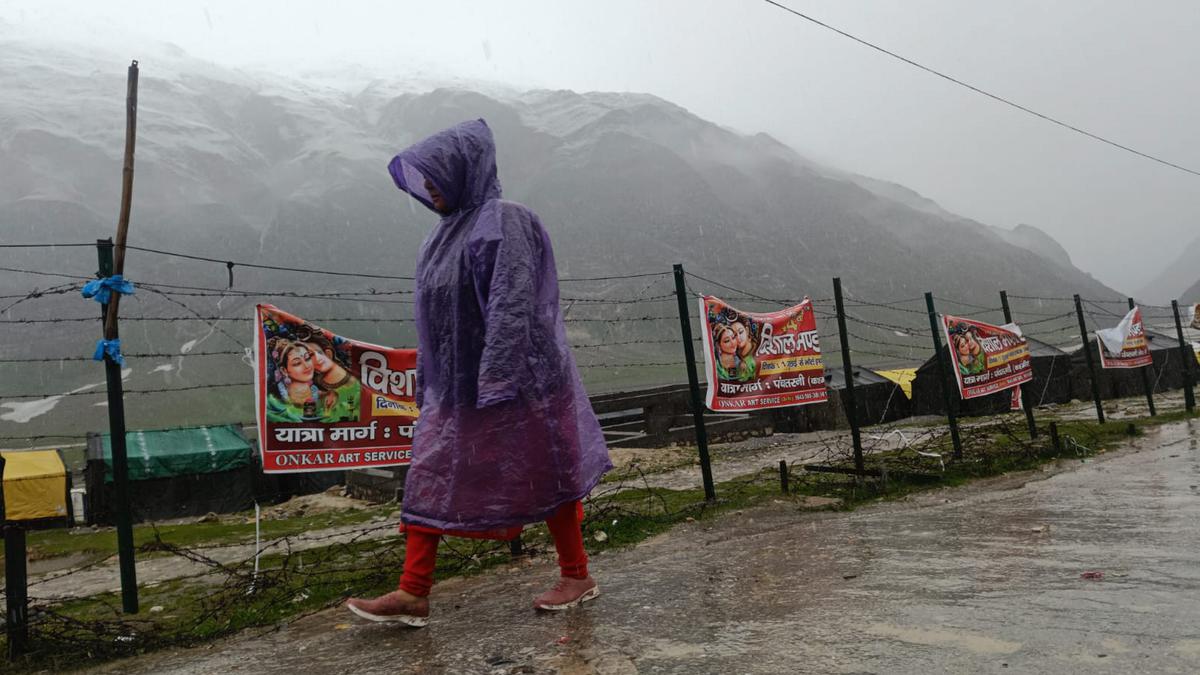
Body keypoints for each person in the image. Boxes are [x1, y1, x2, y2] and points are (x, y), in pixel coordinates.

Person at [346, 119, 612, 626]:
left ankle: (576, 574)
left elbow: (514, 302)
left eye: (435, 175)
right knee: (430, 475)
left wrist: (500, 376)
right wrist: (431, 382)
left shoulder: (506, 221)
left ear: (463, 169)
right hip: (458, 391)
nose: (428, 188)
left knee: (548, 472)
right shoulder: (440, 238)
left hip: (527, 383)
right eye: (422, 179)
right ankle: (412, 592)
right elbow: (432, 322)